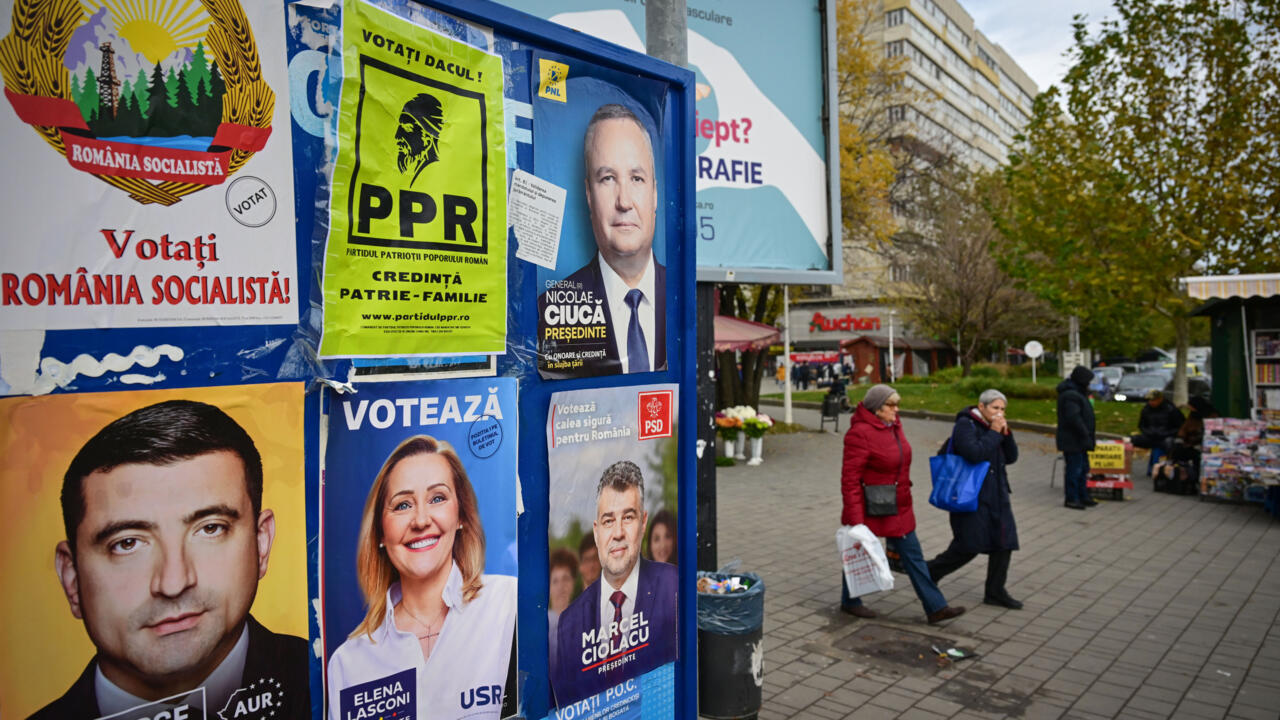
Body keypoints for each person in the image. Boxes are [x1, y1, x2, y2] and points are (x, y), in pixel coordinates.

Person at [36, 400, 308, 719]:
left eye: (210, 528)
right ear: (72, 578)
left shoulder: (334, 681)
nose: (174, 582)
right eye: (127, 543)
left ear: (261, 543)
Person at [326, 435, 516, 720]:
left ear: (461, 515)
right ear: (380, 532)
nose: (421, 520)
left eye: (437, 498)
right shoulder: (347, 662)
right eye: (402, 505)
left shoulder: (508, 604)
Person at [538, 103, 666, 377]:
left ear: (654, 193)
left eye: (637, 178)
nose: (624, 201)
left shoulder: (682, 300)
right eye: (607, 178)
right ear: (588, 195)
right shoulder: (547, 312)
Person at [551, 461, 677, 707]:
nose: (618, 532)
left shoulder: (672, 587)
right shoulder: (569, 623)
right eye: (609, 521)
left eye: (628, 517)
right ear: (597, 532)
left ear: (643, 523)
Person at [839, 385, 965, 625]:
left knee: (913, 555)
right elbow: (850, 479)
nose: (896, 409)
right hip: (871, 507)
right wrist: (856, 520)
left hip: (899, 504)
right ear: (876, 408)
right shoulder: (860, 433)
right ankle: (850, 601)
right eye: (891, 405)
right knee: (860, 554)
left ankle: (936, 607)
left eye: (897, 404)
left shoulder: (894, 426)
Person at [927, 390, 1023, 610]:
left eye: (1002, 409)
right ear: (981, 407)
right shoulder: (965, 424)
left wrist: (1006, 435)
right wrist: (994, 433)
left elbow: (1011, 457)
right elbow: (974, 453)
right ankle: (929, 572)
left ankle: (996, 591)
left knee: (1004, 542)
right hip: (970, 496)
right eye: (994, 408)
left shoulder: (996, 429)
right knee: (968, 545)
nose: (999, 413)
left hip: (997, 494)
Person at [1057, 366, 1098, 510]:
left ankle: (1083, 495)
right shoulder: (1071, 395)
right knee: (1075, 470)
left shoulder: (1078, 393)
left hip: (1080, 439)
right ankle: (1072, 498)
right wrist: (1085, 433)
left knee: (1083, 468)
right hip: (1073, 439)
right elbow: (1073, 418)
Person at [1129, 389, 1185, 454]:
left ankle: (1169, 460)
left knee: (1169, 443)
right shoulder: (1146, 409)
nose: (1151, 402)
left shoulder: (1171, 410)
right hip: (1150, 436)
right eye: (1149, 400)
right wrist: (1149, 432)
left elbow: (1180, 427)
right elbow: (1141, 425)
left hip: (1166, 437)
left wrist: (1165, 433)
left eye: (1153, 400)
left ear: (1160, 399)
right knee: (1130, 439)